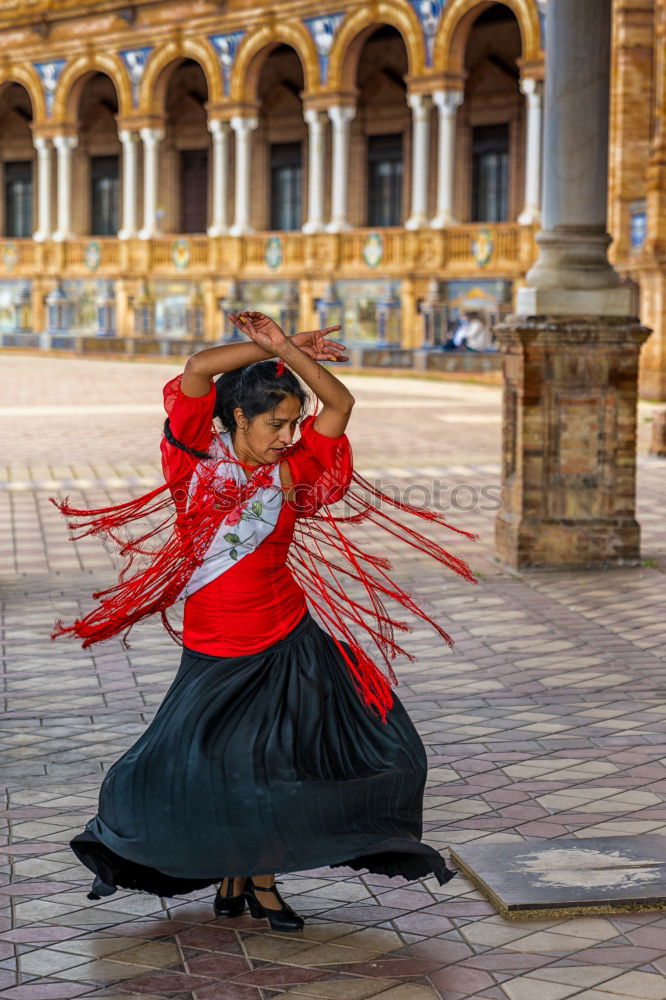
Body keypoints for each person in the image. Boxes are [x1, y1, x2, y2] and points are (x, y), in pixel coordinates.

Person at [51, 311, 478, 934]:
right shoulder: (191, 459)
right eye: (275, 423)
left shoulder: (292, 471)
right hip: (216, 647)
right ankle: (242, 874)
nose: (287, 434)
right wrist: (263, 347)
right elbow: (198, 370)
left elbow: (341, 400)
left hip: (287, 640)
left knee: (316, 760)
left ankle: (256, 877)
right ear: (238, 420)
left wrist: (286, 350)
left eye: (293, 424)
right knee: (211, 768)